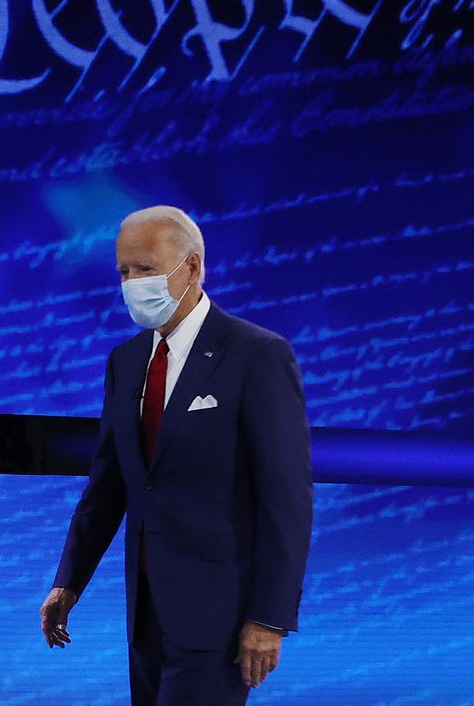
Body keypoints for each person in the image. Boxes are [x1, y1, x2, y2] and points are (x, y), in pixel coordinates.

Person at [39, 205, 313, 705]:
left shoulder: (257, 355)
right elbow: (109, 486)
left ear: (192, 266)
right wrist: (68, 582)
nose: (132, 282)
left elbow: (287, 497)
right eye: (123, 271)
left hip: (220, 617)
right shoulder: (125, 363)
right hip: (146, 612)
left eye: (145, 268)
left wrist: (269, 617)